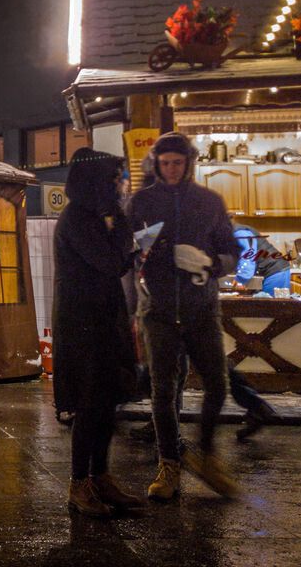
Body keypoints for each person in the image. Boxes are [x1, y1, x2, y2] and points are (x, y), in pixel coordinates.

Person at [126, 132, 240, 500]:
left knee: (217, 385)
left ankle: (206, 455)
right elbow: (127, 250)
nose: (171, 169)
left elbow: (231, 251)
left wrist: (211, 262)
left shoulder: (209, 202)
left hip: (202, 306)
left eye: (177, 162)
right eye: (165, 163)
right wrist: (143, 254)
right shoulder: (142, 202)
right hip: (157, 308)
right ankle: (169, 464)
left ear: (188, 163)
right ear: (156, 165)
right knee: (163, 390)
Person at [54, 148, 147, 517]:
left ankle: (101, 476)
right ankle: (80, 484)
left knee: (107, 403)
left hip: (105, 319)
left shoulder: (98, 216)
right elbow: (110, 262)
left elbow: (116, 260)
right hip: (83, 325)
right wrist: (129, 239)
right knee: (90, 405)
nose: (120, 185)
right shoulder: (77, 219)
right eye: (114, 179)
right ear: (95, 182)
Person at [232, 224, 291, 296]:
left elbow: (247, 258)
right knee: (267, 305)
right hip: (272, 270)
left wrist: (241, 279)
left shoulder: (240, 233)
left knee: (273, 305)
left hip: (275, 271)